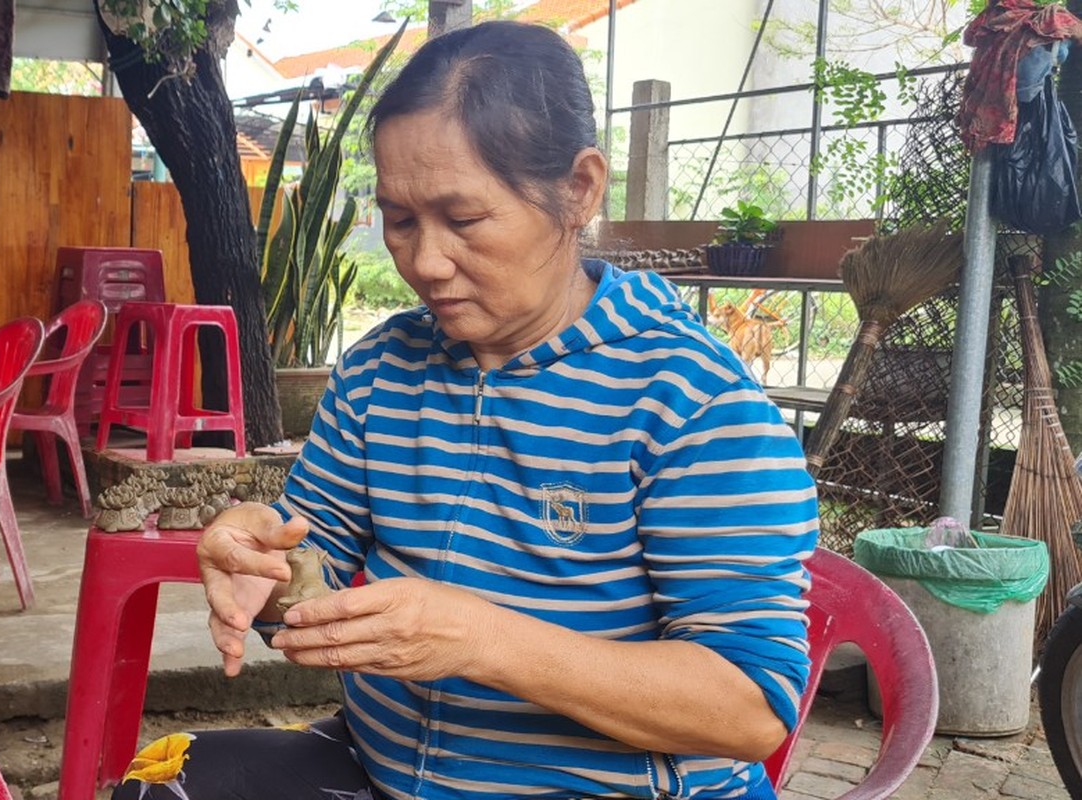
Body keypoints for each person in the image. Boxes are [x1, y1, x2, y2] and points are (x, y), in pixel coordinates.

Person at [114, 19, 819, 800]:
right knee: (162, 787)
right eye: (402, 220)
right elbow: (315, 566)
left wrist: (482, 640)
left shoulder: (689, 402)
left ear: (579, 190)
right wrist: (263, 568)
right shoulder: (383, 369)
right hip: (384, 772)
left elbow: (750, 710)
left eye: (465, 219)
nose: (424, 261)